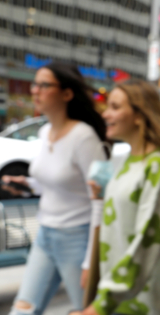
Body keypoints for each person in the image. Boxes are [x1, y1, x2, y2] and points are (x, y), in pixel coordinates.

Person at [2, 62, 108, 314]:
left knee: (89, 310)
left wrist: (89, 261)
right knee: (22, 311)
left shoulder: (84, 137)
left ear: (67, 94)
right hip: (45, 235)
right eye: (34, 84)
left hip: (77, 239)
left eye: (44, 85)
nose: (35, 90)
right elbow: (57, 182)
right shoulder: (44, 131)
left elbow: (101, 198)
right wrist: (26, 185)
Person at [81, 80, 160, 315]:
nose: (106, 114)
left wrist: (100, 305)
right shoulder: (127, 162)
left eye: (115, 106)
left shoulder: (159, 167)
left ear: (139, 116)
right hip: (125, 301)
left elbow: (148, 241)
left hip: (150, 303)